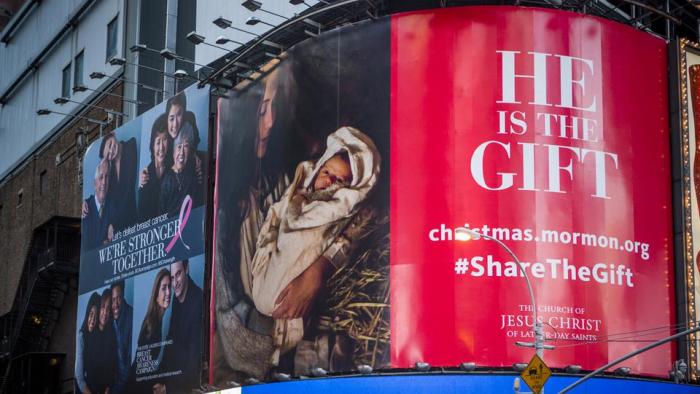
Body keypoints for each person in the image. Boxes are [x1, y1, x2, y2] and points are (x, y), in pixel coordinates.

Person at [248, 126, 380, 362]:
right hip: (264, 287)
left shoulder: (343, 210)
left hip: (298, 304)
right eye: (327, 172)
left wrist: (320, 268)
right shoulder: (297, 191)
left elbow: (337, 235)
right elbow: (279, 219)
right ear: (318, 167)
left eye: (340, 180)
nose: (329, 181)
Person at [161, 260, 203, 390]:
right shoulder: (177, 298)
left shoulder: (198, 301)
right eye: (172, 278)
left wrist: (167, 388)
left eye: (178, 274)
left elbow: (193, 365)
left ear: (187, 269)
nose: (174, 283)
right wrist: (160, 378)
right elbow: (170, 342)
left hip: (190, 384)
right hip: (176, 377)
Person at [135, 268, 171, 392]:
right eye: (164, 288)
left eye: (169, 287)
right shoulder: (152, 322)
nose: (168, 292)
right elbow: (141, 364)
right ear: (156, 295)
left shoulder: (158, 320)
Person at [160, 123, 203, 216]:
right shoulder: (166, 178)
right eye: (179, 147)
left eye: (186, 146)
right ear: (173, 151)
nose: (181, 152)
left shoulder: (193, 171)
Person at [99, 132, 137, 230]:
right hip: (122, 224)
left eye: (111, 144)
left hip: (134, 219)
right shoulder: (111, 173)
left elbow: (129, 189)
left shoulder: (130, 145)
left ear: (114, 135)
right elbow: (110, 199)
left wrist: (114, 224)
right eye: (108, 155)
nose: (111, 151)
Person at [139, 114, 171, 220]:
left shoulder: (173, 168)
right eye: (158, 142)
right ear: (152, 145)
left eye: (165, 139)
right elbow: (142, 216)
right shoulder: (146, 175)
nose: (161, 147)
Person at [82, 159, 113, 251]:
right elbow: (85, 244)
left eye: (107, 177)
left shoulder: (113, 205)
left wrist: (113, 224)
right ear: (94, 183)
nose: (104, 182)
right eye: (101, 178)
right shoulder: (86, 208)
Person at [91, 289, 117, 393]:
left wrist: (108, 387)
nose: (105, 313)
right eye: (102, 307)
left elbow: (112, 365)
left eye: (108, 309)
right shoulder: (91, 331)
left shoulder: (111, 333)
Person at [76, 292, 100, 394]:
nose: (93, 320)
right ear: (87, 313)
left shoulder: (98, 336)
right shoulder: (81, 336)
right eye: (91, 314)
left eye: (96, 316)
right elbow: (79, 378)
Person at [110, 281, 133, 394]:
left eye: (118, 298)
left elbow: (128, 366)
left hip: (125, 386)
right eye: (113, 299)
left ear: (123, 295)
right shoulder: (107, 317)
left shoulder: (131, 317)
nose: (116, 304)